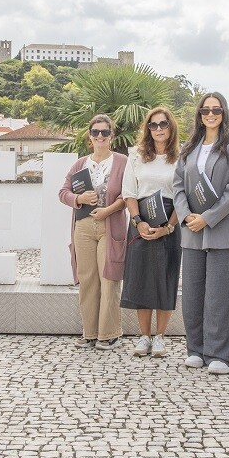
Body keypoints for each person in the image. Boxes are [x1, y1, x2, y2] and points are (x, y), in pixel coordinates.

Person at [173, 92, 229, 375]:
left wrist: (208, 217)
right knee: (192, 294)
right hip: (192, 229)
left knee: (219, 295)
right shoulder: (189, 148)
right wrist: (186, 215)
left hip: (222, 229)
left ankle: (220, 354)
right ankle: (195, 349)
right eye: (205, 110)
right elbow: (178, 185)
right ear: (200, 115)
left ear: (224, 113)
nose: (211, 114)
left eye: (216, 110)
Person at [59, 114, 128, 350]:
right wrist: (78, 199)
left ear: (112, 135)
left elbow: (128, 194)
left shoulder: (122, 162)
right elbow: (63, 192)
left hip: (110, 225)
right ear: (90, 136)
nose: (100, 136)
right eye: (95, 132)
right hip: (83, 226)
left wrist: (108, 210)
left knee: (109, 278)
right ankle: (89, 333)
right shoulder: (80, 164)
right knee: (87, 278)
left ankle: (108, 334)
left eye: (105, 132)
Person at [120, 108, 182, 358]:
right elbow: (129, 192)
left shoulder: (181, 157)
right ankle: (144, 336)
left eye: (163, 124)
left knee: (165, 279)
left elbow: (182, 197)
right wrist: (138, 222)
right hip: (141, 221)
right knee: (141, 278)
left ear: (171, 127)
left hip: (169, 222)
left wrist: (168, 227)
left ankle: (160, 337)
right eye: (153, 125)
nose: (158, 129)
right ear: (148, 128)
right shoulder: (136, 155)